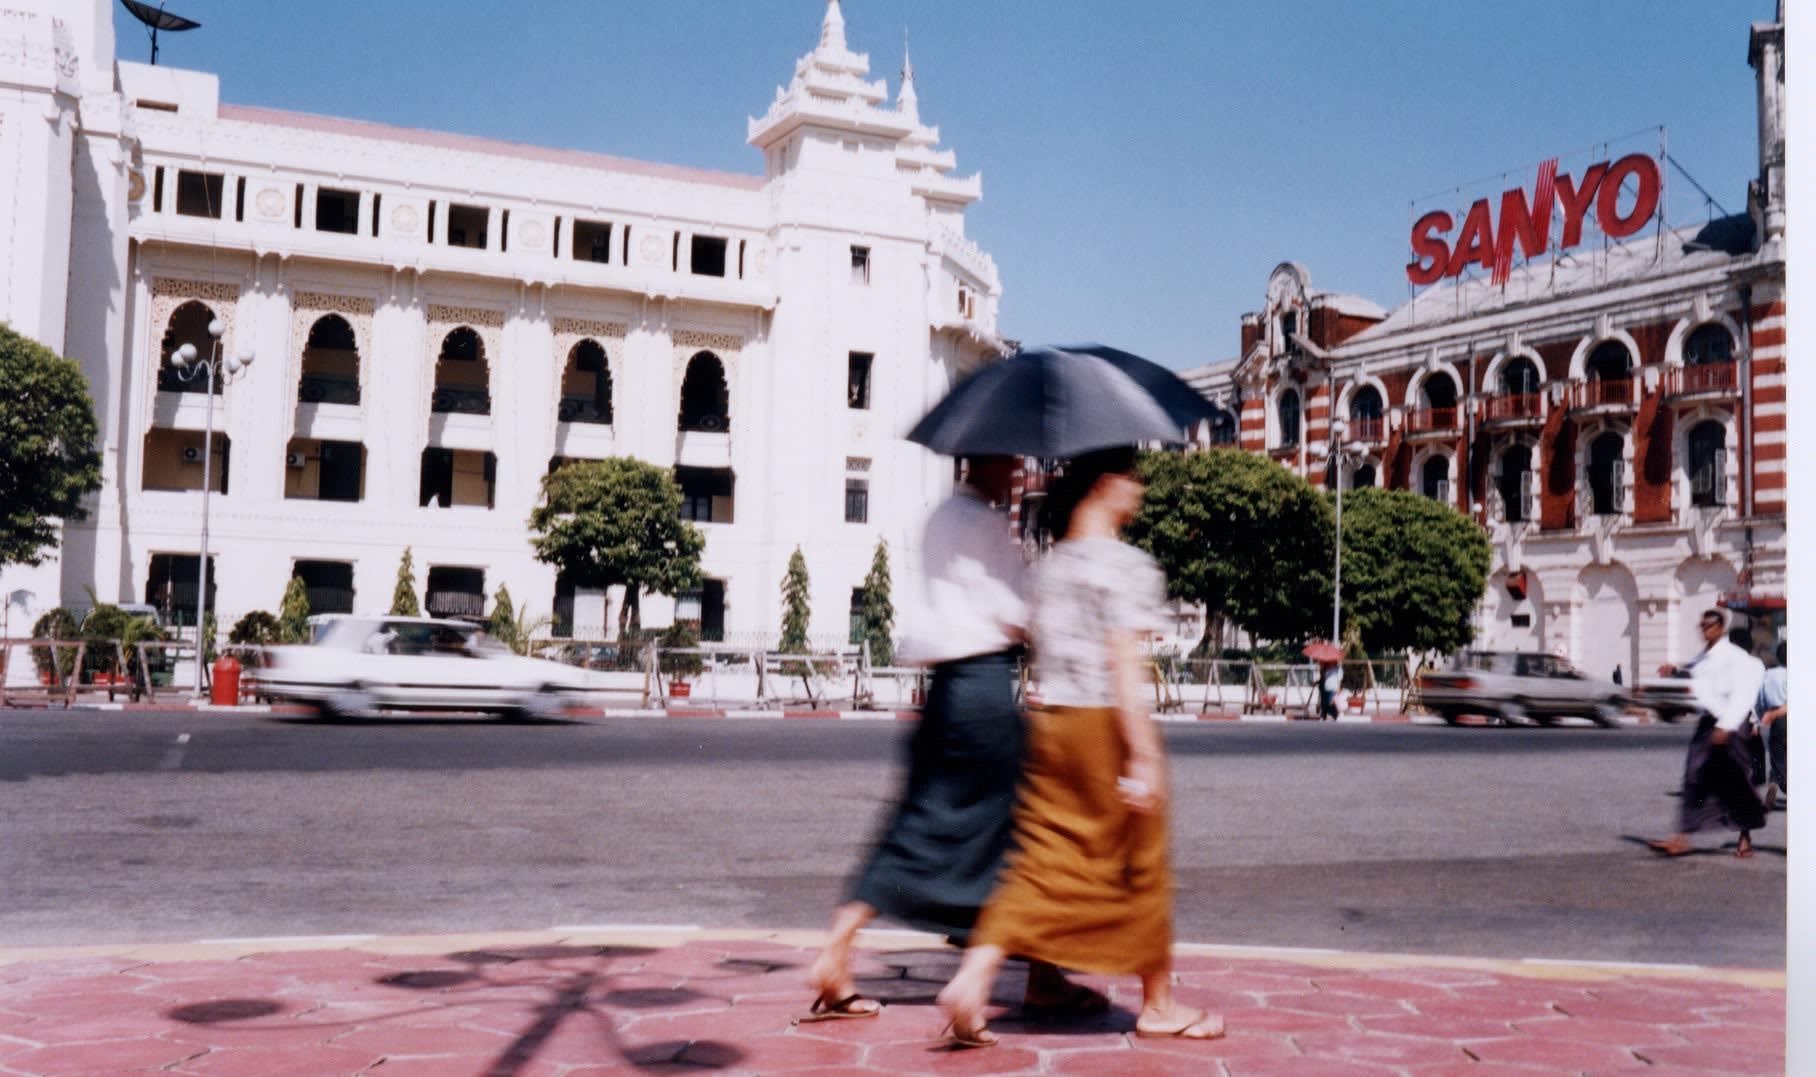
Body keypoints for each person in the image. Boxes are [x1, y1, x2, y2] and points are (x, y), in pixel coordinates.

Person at [935, 447, 1223, 1047]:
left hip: (1052, 720)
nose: (1139, 492)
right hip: (1104, 726)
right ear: (1104, 484)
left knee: (1043, 855)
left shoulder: (1051, 565)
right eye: (1132, 480)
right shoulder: (1126, 565)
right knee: (1139, 857)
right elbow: (1124, 664)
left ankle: (995, 977)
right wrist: (1142, 755)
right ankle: (1160, 1005)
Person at [801, 455, 1095, 1022]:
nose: (1015, 471)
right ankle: (1039, 974)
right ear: (989, 461)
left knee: (916, 822)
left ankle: (837, 950)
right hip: (983, 688)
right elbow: (1014, 612)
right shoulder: (985, 524)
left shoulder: (940, 516)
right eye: (1009, 460)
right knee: (1022, 829)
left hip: (943, 689)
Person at [1647, 611, 1768, 858]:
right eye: (1702, 625)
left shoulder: (1736, 657)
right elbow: (1694, 689)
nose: (1705, 630)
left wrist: (1727, 724)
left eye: (1710, 626)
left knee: (1737, 781)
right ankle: (1682, 837)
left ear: (1721, 628)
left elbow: (1743, 694)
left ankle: (1745, 837)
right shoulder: (1701, 659)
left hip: (1732, 725)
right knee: (1694, 774)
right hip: (1707, 724)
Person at [1758, 641, 1787, 810]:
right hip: (1789, 716)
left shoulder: (1769, 674)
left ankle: (1774, 782)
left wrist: (1764, 714)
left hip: (1775, 720)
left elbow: (1761, 698)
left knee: (1778, 756)